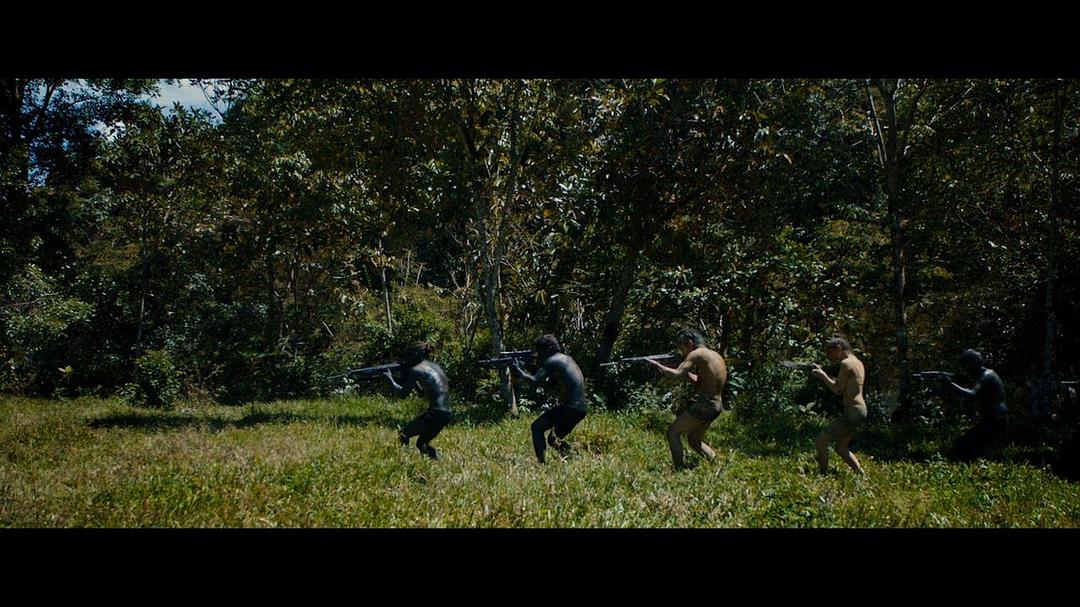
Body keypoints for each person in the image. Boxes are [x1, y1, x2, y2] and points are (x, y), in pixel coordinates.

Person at [648, 328, 727, 470]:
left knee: (672, 433)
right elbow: (701, 383)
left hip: (705, 405)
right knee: (694, 440)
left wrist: (657, 366)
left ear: (690, 343)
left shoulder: (696, 354)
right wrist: (686, 372)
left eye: (682, 348)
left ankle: (679, 469)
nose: (683, 353)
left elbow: (676, 375)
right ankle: (717, 466)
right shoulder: (715, 355)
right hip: (716, 405)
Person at [511, 335, 587, 464]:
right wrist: (530, 368)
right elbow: (550, 386)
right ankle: (574, 457)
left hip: (571, 407)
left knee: (537, 427)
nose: (540, 355)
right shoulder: (565, 359)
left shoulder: (552, 361)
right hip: (580, 409)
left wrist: (520, 372)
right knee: (553, 439)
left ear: (549, 349)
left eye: (540, 351)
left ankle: (541, 464)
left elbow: (535, 382)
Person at [383, 342, 452, 460]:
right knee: (422, 443)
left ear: (416, 355)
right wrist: (414, 382)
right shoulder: (435, 367)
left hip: (435, 413)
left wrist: (390, 379)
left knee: (404, 435)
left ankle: (406, 462)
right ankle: (439, 463)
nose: (406, 359)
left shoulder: (416, 370)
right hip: (447, 414)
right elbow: (422, 393)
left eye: (409, 355)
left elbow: (402, 394)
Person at [809, 336, 866, 475]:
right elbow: (844, 385)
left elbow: (838, 389)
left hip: (852, 411)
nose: (830, 357)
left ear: (839, 348)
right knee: (841, 447)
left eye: (831, 353)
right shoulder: (857, 362)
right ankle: (861, 475)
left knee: (821, 441)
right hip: (860, 410)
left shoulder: (846, 363)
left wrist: (822, 375)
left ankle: (823, 474)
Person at [942, 349, 1007, 461]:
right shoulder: (984, 374)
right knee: (971, 447)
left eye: (966, 366)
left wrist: (950, 384)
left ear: (972, 364)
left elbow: (972, 394)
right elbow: (965, 379)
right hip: (991, 418)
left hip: (995, 419)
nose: (965, 369)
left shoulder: (986, 376)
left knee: (963, 447)